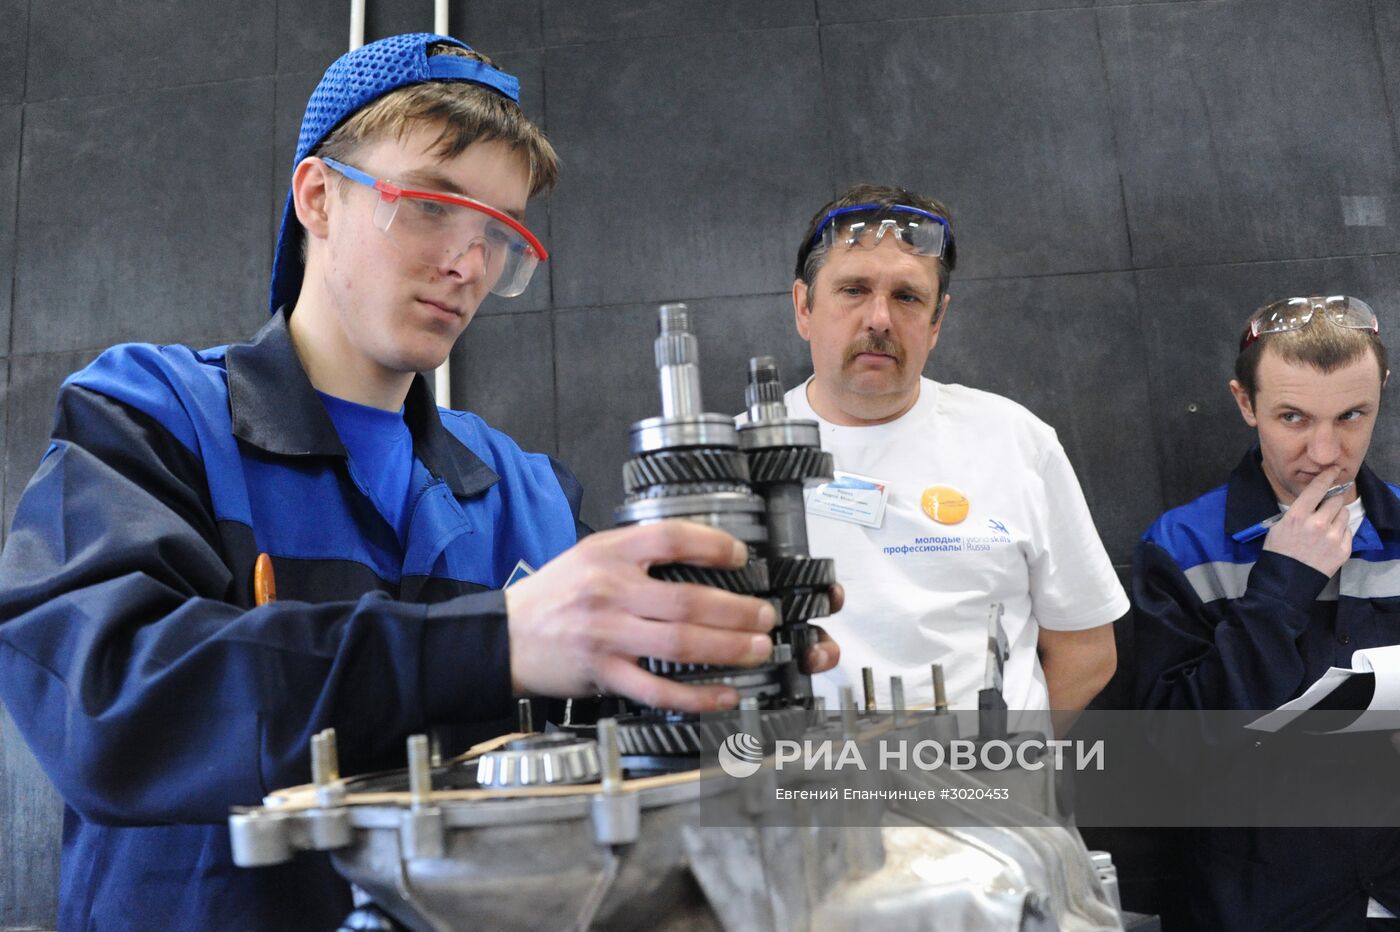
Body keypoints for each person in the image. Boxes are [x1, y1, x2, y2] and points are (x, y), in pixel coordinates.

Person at [0, 34, 836, 930]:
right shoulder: (152, 415)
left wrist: (698, 662)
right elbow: (111, 705)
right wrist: (497, 640)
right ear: (318, 197)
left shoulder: (528, 494)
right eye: (435, 207)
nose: (467, 266)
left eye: (499, 236)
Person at [783, 183, 1123, 722]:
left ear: (936, 322)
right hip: (809, 793)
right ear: (805, 307)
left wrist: (1002, 765)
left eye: (907, 297)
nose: (879, 319)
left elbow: (1087, 652)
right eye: (853, 290)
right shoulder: (734, 463)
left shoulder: (1013, 439)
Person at [1132, 295, 1400, 930]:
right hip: (1264, 906)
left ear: (1382, 392)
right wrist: (1282, 588)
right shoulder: (1182, 547)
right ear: (1245, 404)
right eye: (1293, 418)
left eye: (1353, 415)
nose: (1326, 452)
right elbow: (1170, 754)